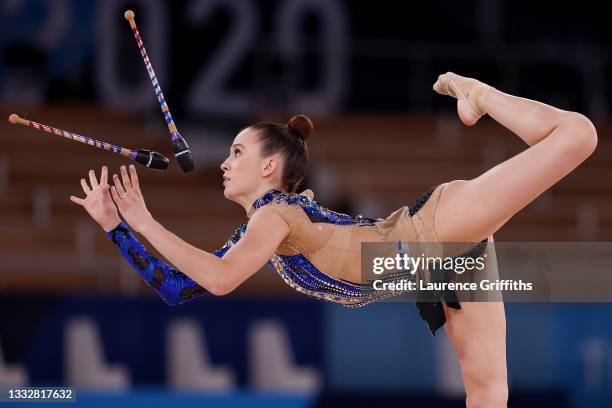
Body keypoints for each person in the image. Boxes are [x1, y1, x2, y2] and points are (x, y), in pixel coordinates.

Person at [70, 72, 597, 407]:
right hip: (427, 267)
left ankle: (479, 93)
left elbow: (221, 280)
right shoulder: (265, 227)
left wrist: (141, 220)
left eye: (236, 153)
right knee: (487, 395)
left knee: (579, 136)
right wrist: (117, 228)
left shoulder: (274, 217)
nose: (224, 164)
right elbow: (180, 289)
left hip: (432, 231)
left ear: (270, 165)